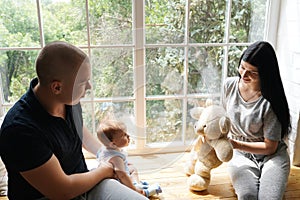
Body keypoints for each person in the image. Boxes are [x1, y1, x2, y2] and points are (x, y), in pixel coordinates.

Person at [0, 41, 148, 200]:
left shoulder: (68, 99)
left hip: (85, 183)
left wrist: (111, 156)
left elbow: (80, 133)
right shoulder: (19, 130)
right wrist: (105, 170)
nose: (89, 87)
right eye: (83, 82)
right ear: (57, 87)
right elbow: (62, 191)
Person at [222, 41, 291, 200]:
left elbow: (270, 147)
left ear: (265, 73)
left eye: (252, 72)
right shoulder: (229, 85)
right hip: (240, 155)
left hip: (272, 156)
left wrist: (236, 144)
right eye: (242, 67)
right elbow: (222, 119)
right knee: (247, 196)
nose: (243, 75)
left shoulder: (270, 101)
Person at [97, 120, 162, 198]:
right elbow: (122, 175)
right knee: (133, 172)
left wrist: (122, 165)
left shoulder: (105, 149)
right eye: (124, 135)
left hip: (111, 178)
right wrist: (133, 189)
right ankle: (139, 190)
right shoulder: (116, 157)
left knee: (132, 168)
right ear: (113, 143)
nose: (128, 136)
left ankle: (136, 184)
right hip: (119, 182)